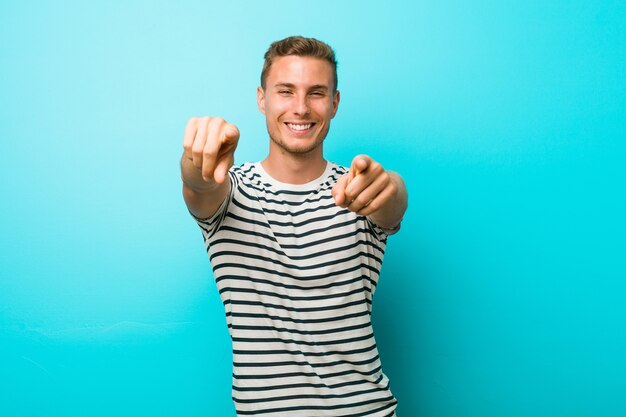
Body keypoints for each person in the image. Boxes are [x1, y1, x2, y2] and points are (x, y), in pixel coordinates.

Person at [180, 35, 408, 417]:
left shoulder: (359, 188)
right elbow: (199, 186)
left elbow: (392, 202)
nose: (300, 108)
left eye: (316, 93)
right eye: (286, 91)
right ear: (262, 98)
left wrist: (392, 188)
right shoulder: (231, 192)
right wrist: (196, 163)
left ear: (334, 104)